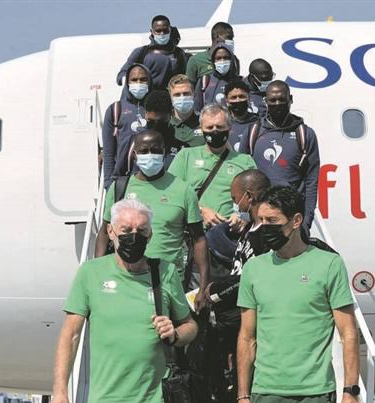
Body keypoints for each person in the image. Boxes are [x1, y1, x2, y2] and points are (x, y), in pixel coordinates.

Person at [48, 198, 198, 403]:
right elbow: (70, 335)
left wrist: (175, 333)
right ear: (110, 231)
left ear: (150, 236)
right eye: (126, 230)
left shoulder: (165, 271)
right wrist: (59, 392)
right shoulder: (90, 273)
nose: (133, 236)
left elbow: (190, 326)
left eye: (141, 231)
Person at [235, 186, 363, 403]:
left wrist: (350, 393)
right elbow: (246, 337)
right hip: (266, 394)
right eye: (260, 220)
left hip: (315, 396)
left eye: (273, 221)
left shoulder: (329, 264)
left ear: (296, 221)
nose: (265, 227)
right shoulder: (253, 269)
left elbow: (348, 334)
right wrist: (243, 396)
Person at [194, 169, 271, 403]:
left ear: (248, 197)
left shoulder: (265, 236)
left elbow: (252, 281)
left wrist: (216, 291)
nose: (233, 204)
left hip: (251, 323)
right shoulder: (251, 230)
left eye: (234, 197)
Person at [95, 130, 209, 292]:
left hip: (168, 280)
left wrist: (203, 285)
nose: (150, 155)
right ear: (134, 155)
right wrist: (98, 272)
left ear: (164, 152)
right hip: (126, 278)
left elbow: (199, 239)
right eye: (143, 151)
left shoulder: (183, 190)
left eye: (155, 150)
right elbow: (105, 233)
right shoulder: (119, 188)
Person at [238, 80, 320, 232]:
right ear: (265, 101)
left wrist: (306, 222)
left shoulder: (305, 134)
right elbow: (240, 177)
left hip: (289, 220)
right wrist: (243, 215)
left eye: (282, 99)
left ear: (291, 99)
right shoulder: (252, 132)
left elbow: (311, 182)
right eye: (273, 100)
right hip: (258, 219)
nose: (277, 104)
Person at [168, 104, 256, 229]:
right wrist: (201, 211)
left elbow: (257, 198)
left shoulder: (245, 161)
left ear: (229, 128)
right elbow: (172, 194)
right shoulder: (186, 156)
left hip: (229, 234)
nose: (215, 131)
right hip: (194, 233)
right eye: (209, 127)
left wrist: (243, 217)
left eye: (220, 126)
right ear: (201, 129)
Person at [102, 63, 152, 188]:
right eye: (134, 80)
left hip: (152, 180)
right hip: (122, 180)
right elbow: (108, 152)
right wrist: (108, 183)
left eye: (143, 80)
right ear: (127, 83)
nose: (139, 83)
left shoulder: (155, 107)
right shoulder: (115, 110)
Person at [117, 15, 187, 90]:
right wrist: (126, 81)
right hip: (147, 98)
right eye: (158, 31)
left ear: (170, 30)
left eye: (165, 30)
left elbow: (185, 77)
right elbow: (123, 73)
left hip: (170, 98)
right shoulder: (141, 52)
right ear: (152, 31)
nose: (162, 34)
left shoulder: (178, 53)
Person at [143, 90, 188, 169]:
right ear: (145, 114)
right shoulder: (135, 144)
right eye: (151, 121)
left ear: (171, 114)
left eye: (160, 122)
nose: (155, 127)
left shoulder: (182, 148)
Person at [193, 43, 241, 113]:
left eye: (226, 58)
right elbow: (197, 109)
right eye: (218, 58)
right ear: (213, 61)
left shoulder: (240, 81)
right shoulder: (204, 81)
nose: (222, 61)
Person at [168, 74, 205, 148]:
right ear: (170, 97)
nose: (182, 98)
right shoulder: (166, 124)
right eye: (177, 95)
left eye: (186, 94)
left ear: (194, 95)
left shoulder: (205, 122)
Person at [224, 80, 259, 152]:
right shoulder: (222, 123)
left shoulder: (258, 123)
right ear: (227, 101)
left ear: (249, 98)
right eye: (233, 97)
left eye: (241, 96)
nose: (238, 100)